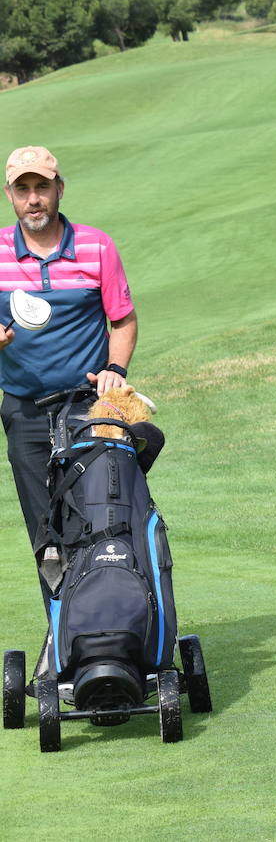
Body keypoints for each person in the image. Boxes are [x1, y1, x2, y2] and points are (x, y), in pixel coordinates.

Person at [0, 145, 137, 611]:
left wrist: (116, 372)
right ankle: (64, 636)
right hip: (24, 411)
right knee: (47, 533)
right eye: (23, 190)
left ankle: (111, 619)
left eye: (42, 187)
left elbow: (122, 319)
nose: (33, 199)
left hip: (88, 408)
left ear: (59, 189)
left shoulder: (97, 246)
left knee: (100, 517)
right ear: (10, 196)